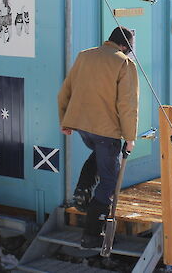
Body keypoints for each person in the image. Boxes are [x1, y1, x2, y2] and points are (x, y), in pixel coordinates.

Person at [58, 26, 139, 248]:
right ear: (125, 46)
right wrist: (130, 138)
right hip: (105, 131)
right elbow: (127, 105)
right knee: (109, 182)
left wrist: (64, 120)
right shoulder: (124, 63)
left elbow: (66, 89)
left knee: (101, 155)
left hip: (83, 127)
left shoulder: (85, 56)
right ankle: (92, 234)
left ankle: (83, 188)